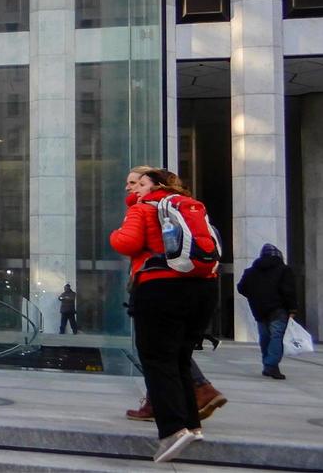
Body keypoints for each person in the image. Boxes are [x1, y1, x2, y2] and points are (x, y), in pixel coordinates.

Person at [110, 167, 217, 464]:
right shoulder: (190, 207)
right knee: (180, 358)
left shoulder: (143, 209)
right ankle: (192, 426)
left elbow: (126, 243)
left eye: (141, 184)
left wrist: (115, 233)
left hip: (160, 288)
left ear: (155, 185)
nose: (134, 190)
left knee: (157, 360)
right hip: (202, 289)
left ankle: (172, 431)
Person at [237, 243, 298, 380]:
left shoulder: (251, 271)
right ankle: (271, 364)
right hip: (278, 309)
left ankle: (268, 366)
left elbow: (241, 288)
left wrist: (255, 296)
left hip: (259, 309)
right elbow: (289, 291)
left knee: (265, 338)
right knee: (276, 337)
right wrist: (292, 308)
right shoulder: (284, 270)